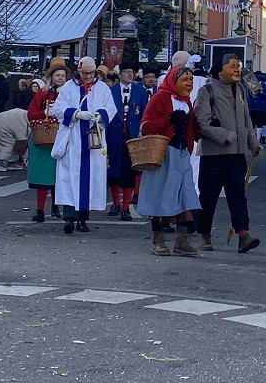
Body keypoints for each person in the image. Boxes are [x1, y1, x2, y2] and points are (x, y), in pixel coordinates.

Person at [193, 54, 262, 253]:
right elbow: (202, 122)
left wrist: (253, 142)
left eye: (237, 66)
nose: (237, 70)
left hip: (236, 154)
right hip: (214, 154)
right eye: (232, 67)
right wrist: (225, 135)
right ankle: (204, 235)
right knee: (208, 197)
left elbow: (246, 119)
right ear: (220, 70)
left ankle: (243, 234)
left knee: (238, 196)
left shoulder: (240, 89)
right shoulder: (207, 91)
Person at [138, 66, 202, 256]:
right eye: (185, 80)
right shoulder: (161, 97)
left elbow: (192, 129)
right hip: (163, 154)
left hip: (182, 155)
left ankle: (182, 241)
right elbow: (146, 125)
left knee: (185, 196)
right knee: (160, 196)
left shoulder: (187, 102)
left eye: (191, 80)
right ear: (174, 81)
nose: (189, 84)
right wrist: (169, 119)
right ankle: (157, 240)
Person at [50, 57, 117, 234]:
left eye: (91, 73)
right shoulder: (68, 88)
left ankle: (83, 219)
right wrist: (77, 114)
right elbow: (57, 109)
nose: (88, 76)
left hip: (93, 140)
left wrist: (99, 115)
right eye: (84, 73)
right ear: (78, 72)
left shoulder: (102, 88)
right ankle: (69, 217)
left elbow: (111, 108)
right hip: (73, 140)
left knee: (90, 179)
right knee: (68, 177)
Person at [107, 64, 147, 220]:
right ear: (120, 74)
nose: (130, 75)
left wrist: (142, 131)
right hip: (114, 135)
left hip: (132, 136)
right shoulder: (111, 91)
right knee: (113, 170)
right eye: (127, 72)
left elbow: (144, 112)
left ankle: (126, 208)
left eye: (132, 72)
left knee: (129, 171)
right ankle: (116, 204)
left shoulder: (140, 91)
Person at [28, 64, 64, 222]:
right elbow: (30, 114)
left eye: (63, 75)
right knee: (42, 176)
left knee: (59, 175)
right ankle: (40, 209)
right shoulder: (42, 94)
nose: (61, 78)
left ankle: (57, 206)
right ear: (51, 78)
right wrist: (45, 113)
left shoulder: (71, 94)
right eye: (58, 75)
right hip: (43, 138)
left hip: (63, 138)